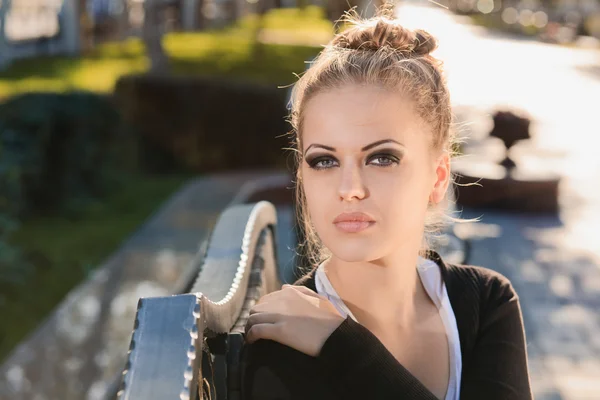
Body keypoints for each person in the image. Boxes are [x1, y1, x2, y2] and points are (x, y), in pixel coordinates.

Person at [240, 6, 532, 400]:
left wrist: (345, 348)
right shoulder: (282, 340)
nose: (350, 188)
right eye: (323, 160)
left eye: (382, 158)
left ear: (438, 177)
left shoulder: (486, 303)